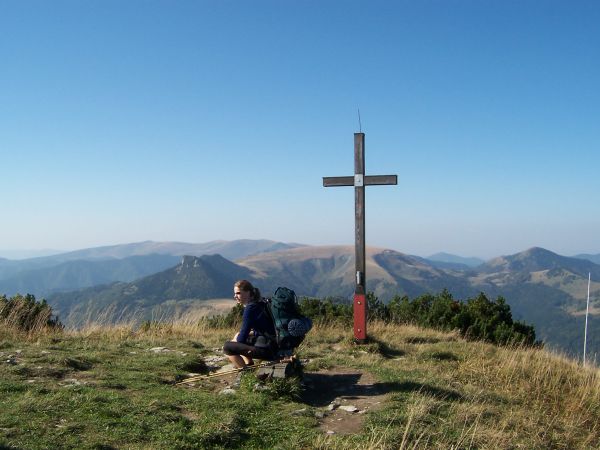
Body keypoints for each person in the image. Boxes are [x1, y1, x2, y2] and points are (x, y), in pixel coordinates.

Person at [223, 280, 277, 368]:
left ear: (248, 293)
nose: (235, 296)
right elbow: (264, 329)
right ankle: (248, 363)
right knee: (239, 336)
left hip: (267, 350)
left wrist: (236, 339)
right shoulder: (261, 302)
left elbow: (241, 339)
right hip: (275, 345)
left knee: (227, 347)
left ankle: (244, 371)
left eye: (238, 293)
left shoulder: (250, 309)